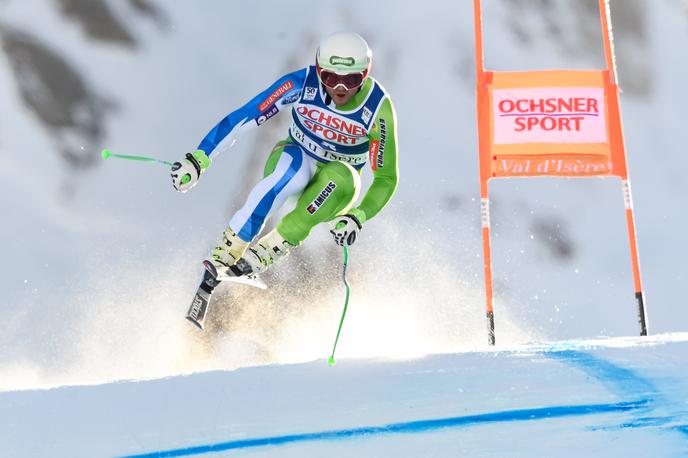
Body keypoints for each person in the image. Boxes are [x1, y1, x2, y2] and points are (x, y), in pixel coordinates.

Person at [171, 32, 398, 278]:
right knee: (293, 172)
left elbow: (386, 178)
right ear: (319, 70)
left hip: (334, 190)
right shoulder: (301, 83)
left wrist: (358, 216)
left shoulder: (377, 110)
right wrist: (199, 157)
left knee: (343, 176)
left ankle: (272, 247)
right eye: (330, 77)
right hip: (294, 157)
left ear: (365, 75)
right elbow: (247, 115)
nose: (339, 88)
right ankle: (230, 247)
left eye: (351, 80)